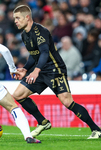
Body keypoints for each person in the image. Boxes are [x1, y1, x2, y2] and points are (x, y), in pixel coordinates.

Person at [12, 5, 101, 139]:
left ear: (27, 17)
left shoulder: (40, 31)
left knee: (67, 102)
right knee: (18, 95)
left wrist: (36, 71)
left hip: (54, 69)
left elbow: (44, 52)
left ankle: (96, 129)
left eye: (18, 18)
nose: (15, 21)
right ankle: (43, 122)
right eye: (14, 18)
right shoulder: (24, 34)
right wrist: (25, 68)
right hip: (41, 69)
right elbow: (33, 54)